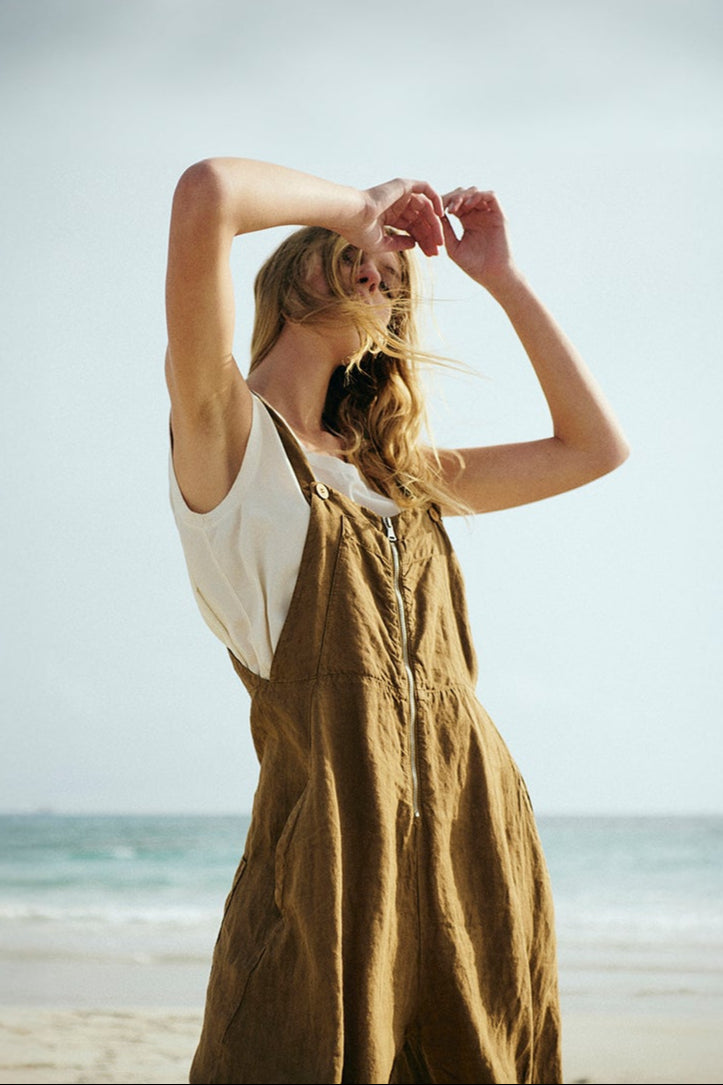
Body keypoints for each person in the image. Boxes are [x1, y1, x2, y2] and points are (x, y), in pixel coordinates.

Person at [164, 157, 629, 1085]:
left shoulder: (400, 476)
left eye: (392, 273)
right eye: (353, 252)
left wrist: (501, 278)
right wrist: (361, 205)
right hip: (335, 863)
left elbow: (594, 447)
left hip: (473, 844)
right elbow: (208, 193)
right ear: (286, 271)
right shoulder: (226, 436)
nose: (377, 268)